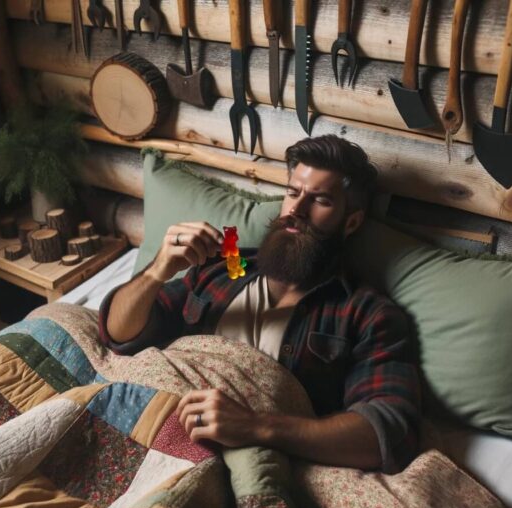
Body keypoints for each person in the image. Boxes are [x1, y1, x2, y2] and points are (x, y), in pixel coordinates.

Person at [98, 135, 421, 473]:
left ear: (351, 221)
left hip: (227, 464)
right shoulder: (221, 270)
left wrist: (254, 426)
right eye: (293, 193)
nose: (296, 210)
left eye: (320, 200)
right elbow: (118, 334)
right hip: (146, 419)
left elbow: (388, 433)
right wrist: (157, 272)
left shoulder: (366, 314)